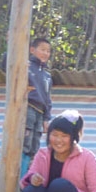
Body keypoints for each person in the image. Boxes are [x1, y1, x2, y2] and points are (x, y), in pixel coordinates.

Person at [23, 37, 53, 177]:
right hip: (27, 107)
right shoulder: (26, 66)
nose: (46, 53)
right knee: (25, 142)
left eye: (48, 51)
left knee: (35, 145)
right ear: (32, 50)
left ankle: (27, 176)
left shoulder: (47, 76)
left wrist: (47, 118)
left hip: (40, 112)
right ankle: (19, 174)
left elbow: (48, 98)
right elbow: (6, 65)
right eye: (42, 49)